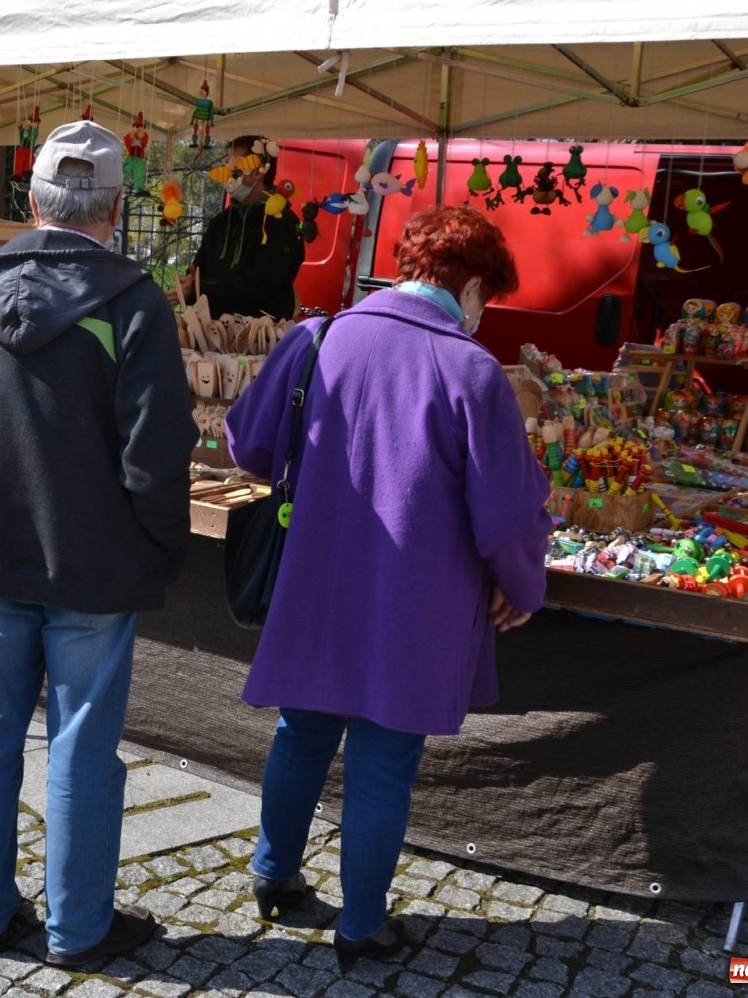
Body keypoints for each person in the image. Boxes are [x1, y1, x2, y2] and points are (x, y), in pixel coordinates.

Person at [223, 205, 551, 970]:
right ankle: (362, 927)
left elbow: (247, 445)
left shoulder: (317, 337)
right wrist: (522, 585)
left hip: (316, 580)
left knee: (302, 731)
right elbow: (506, 514)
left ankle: (274, 874)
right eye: (487, 297)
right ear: (471, 287)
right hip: (415, 604)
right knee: (383, 760)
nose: (482, 311)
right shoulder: (473, 370)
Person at [0, 120, 196, 966]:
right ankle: (77, 927)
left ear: (33, 201)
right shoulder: (133, 302)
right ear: (113, 209)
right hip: (91, 567)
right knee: (79, 750)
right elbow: (156, 455)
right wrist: (162, 547)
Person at [175, 134, 305, 319]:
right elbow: (199, 270)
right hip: (214, 329)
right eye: (226, 167)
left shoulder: (282, 222)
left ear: (258, 172)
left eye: (235, 168)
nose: (228, 175)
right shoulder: (221, 221)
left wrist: (202, 287)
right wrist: (189, 284)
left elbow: (263, 285)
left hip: (262, 332)